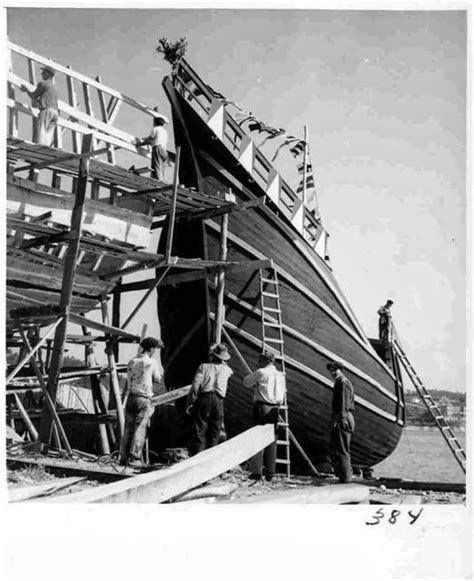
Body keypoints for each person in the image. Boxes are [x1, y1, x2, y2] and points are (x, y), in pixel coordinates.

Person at [119, 337, 164, 468]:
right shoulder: (151, 362)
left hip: (131, 397)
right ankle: (134, 458)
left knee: (128, 428)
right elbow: (157, 379)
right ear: (151, 349)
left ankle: (123, 457)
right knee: (140, 428)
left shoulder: (132, 361)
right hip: (143, 398)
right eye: (155, 348)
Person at [243, 350, 286, 482]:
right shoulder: (280, 375)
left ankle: (256, 471)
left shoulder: (261, 372)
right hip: (275, 408)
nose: (258, 362)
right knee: (272, 440)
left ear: (265, 361)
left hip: (262, 407)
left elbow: (246, 382)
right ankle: (270, 473)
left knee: (257, 438)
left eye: (260, 360)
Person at [187, 343, 233, 456]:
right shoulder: (228, 370)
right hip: (219, 400)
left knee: (199, 428)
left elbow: (195, 386)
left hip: (204, 398)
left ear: (213, 355)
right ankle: (211, 457)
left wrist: (191, 401)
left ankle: (197, 456)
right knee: (215, 430)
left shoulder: (203, 367)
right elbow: (229, 372)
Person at [327, 361, 355, 483]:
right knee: (337, 447)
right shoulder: (340, 382)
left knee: (342, 448)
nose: (332, 373)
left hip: (342, 417)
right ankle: (343, 475)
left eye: (335, 370)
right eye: (331, 371)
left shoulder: (342, 383)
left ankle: (345, 478)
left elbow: (343, 404)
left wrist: (340, 420)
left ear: (340, 370)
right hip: (340, 416)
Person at [20, 65, 59, 146]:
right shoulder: (54, 87)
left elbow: (34, 96)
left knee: (41, 133)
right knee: (48, 135)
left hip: (46, 111)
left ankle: (39, 150)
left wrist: (26, 90)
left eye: (43, 72)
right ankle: (46, 151)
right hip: (55, 113)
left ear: (48, 74)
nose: (41, 74)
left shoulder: (43, 84)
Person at [136, 109, 168, 181]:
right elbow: (154, 139)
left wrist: (140, 144)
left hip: (158, 148)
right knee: (162, 167)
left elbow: (150, 139)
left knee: (156, 166)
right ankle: (163, 181)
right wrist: (146, 139)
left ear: (155, 122)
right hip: (164, 151)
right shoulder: (164, 131)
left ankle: (158, 181)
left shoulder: (155, 128)